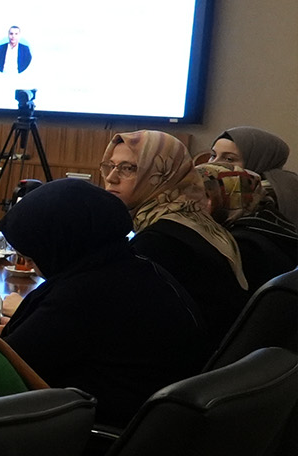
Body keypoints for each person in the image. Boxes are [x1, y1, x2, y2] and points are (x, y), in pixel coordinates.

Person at [0, 178, 204, 428]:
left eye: (31, 257)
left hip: (97, 430)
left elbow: (5, 370)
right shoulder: (131, 267)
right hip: (153, 424)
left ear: (60, 245)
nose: (31, 266)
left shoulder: (84, 293)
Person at [99, 130, 248, 359]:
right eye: (110, 166)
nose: (111, 178)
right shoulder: (195, 219)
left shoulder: (158, 241)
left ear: (163, 173)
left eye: (129, 168)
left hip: (185, 367)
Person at [199, 164, 298, 291]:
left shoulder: (242, 244)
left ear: (232, 197)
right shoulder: (267, 221)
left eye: (205, 195)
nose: (191, 203)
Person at [211, 125, 298, 225]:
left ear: (259, 161)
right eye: (213, 155)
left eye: (229, 159)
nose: (213, 163)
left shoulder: (263, 197)